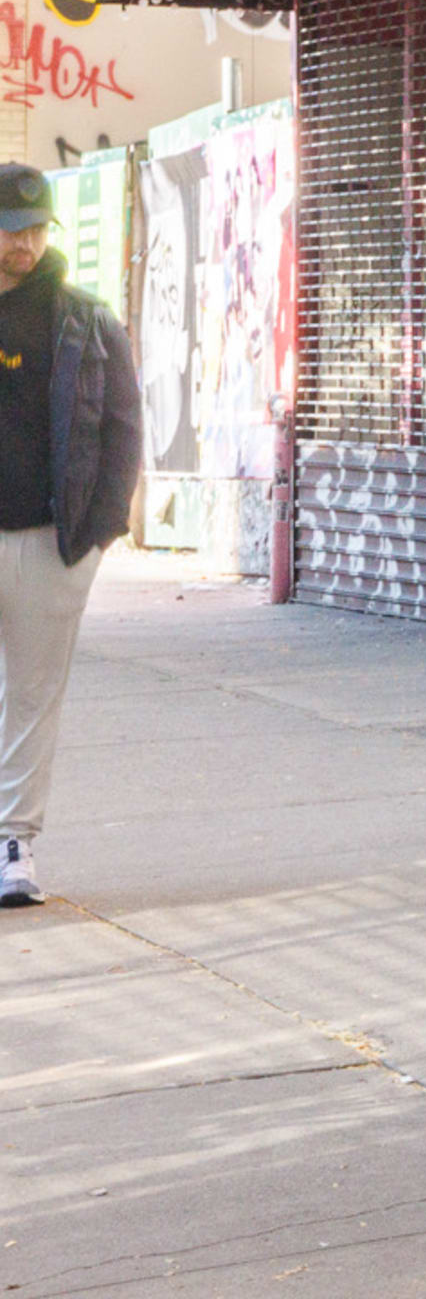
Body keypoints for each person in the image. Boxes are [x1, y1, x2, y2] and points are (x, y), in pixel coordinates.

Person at [0, 163, 140, 909]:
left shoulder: (86, 320)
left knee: (31, 693)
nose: (23, 245)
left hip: (49, 540)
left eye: (34, 230)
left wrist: (97, 538)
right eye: (9, 230)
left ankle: (13, 842)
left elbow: (124, 433)